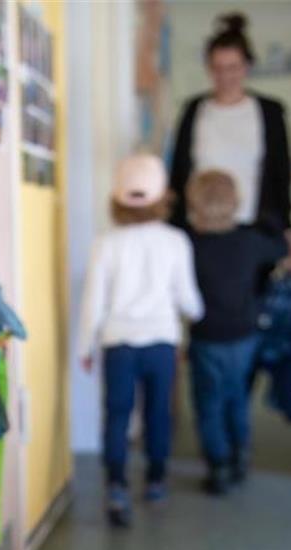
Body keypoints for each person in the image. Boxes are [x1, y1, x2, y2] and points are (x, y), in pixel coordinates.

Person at [77, 154, 204, 527]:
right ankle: (156, 480)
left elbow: (93, 301)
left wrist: (86, 346)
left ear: (116, 199)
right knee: (157, 414)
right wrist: (199, 314)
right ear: (164, 197)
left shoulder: (106, 243)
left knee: (117, 414)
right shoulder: (176, 241)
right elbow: (188, 299)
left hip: (118, 342)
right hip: (162, 342)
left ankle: (116, 486)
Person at [185, 170, 290, 495]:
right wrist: (270, 221)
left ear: (194, 204)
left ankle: (217, 465)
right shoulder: (249, 241)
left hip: (206, 335)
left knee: (208, 402)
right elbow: (280, 248)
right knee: (237, 398)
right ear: (236, 202)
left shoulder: (189, 243)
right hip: (244, 334)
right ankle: (240, 455)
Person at [167, 13, 291, 261]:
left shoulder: (269, 112)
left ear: (247, 67)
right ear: (208, 68)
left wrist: (290, 234)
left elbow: (281, 174)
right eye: (217, 68)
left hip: (256, 230)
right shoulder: (194, 110)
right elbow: (178, 173)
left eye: (233, 68)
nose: (225, 77)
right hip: (199, 232)